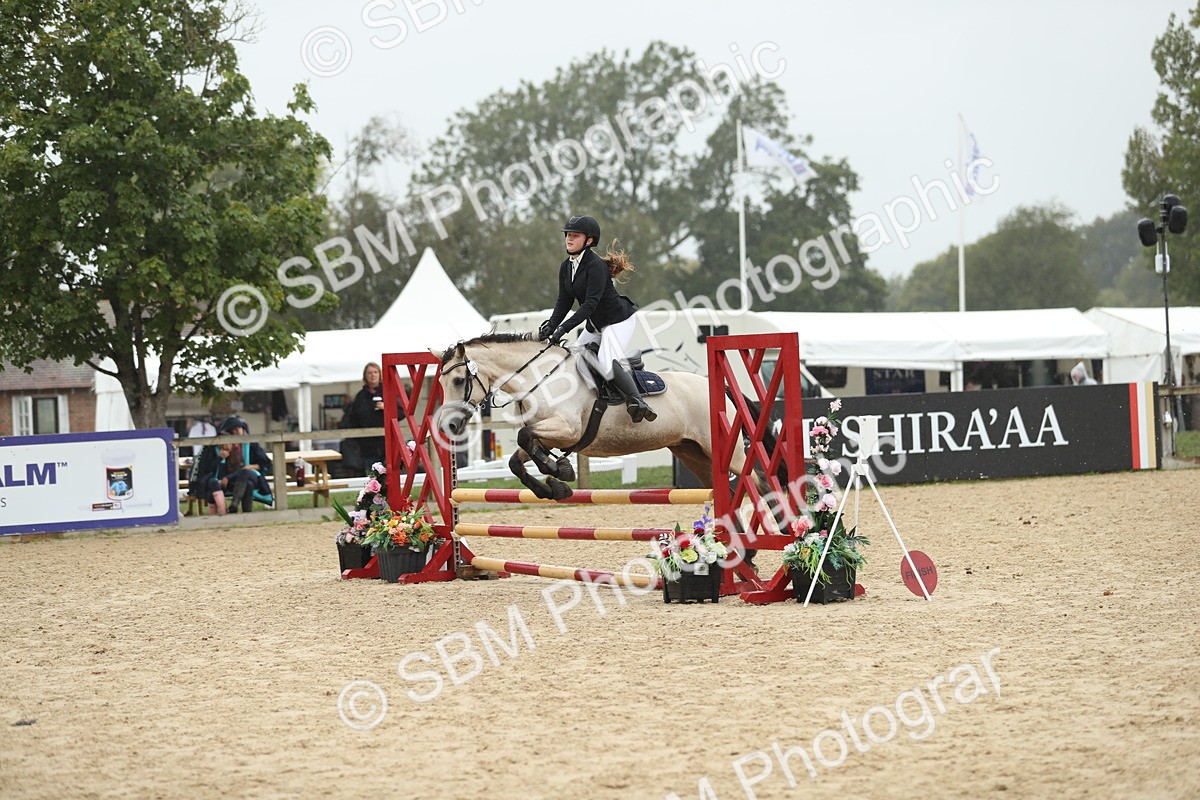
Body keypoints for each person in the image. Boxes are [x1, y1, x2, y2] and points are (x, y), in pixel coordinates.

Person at [538, 214, 656, 423]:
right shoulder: (566, 266)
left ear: (589, 240)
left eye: (575, 235)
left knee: (606, 361)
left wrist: (563, 329)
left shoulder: (595, 265)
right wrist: (551, 325)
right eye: (568, 235)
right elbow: (564, 301)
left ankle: (638, 402)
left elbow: (590, 304)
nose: (569, 238)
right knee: (573, 360)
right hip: (596, 325)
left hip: (618, 321)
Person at [342, 362, 388, 470]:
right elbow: (353, 418)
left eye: (375, 372)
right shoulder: (361, 396)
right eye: (369, 373)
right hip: (368, 446)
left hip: (387, 444)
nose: (373, 375)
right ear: (365, 376)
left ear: (380, 374)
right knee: (372, 475)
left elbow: (401, 412)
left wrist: (387, 408)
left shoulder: (388, 392)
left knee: (389, 475)